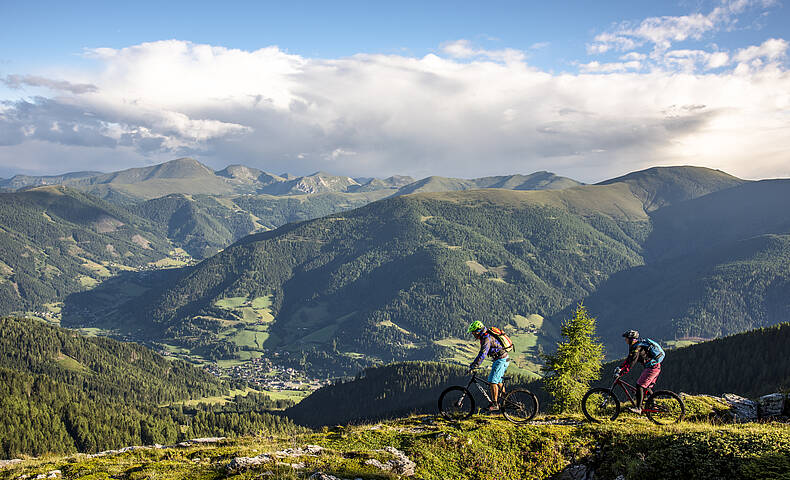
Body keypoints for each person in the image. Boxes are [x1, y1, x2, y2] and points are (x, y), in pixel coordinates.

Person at [616, 330, 665, 414]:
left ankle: (638, 408)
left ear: (631, 339)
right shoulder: (635, 346)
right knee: (646, 387)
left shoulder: (636, 348)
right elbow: (629, 359)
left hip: (652, 368)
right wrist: (620, 367)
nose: (625, 340)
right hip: (653, 367)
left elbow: (632, 363)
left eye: (626, 338)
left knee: (640, 385)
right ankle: (653, 405)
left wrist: (622, 372)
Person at [467, 320, 510, 411]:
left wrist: (475, 365)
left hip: (501, 360)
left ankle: (495, 404)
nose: (473, 335)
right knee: (498, 381)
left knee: (492, 381)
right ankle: (507, 399)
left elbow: (483, 354)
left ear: (478, 331)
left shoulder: (486, 338)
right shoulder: (485, 336)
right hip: (501, 359)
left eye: (473, 332)